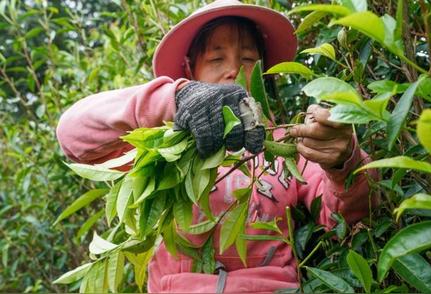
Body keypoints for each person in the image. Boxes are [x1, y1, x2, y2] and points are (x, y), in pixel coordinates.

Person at [56, 0, 378, 292]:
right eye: (216, 58)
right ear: (190, 69)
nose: (234, 70)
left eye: (249, 58)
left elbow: (343, 218)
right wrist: (177, 98)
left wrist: (343, 161)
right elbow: (73, 134)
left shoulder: (287, 144)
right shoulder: (163, 141)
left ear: (263, 73)